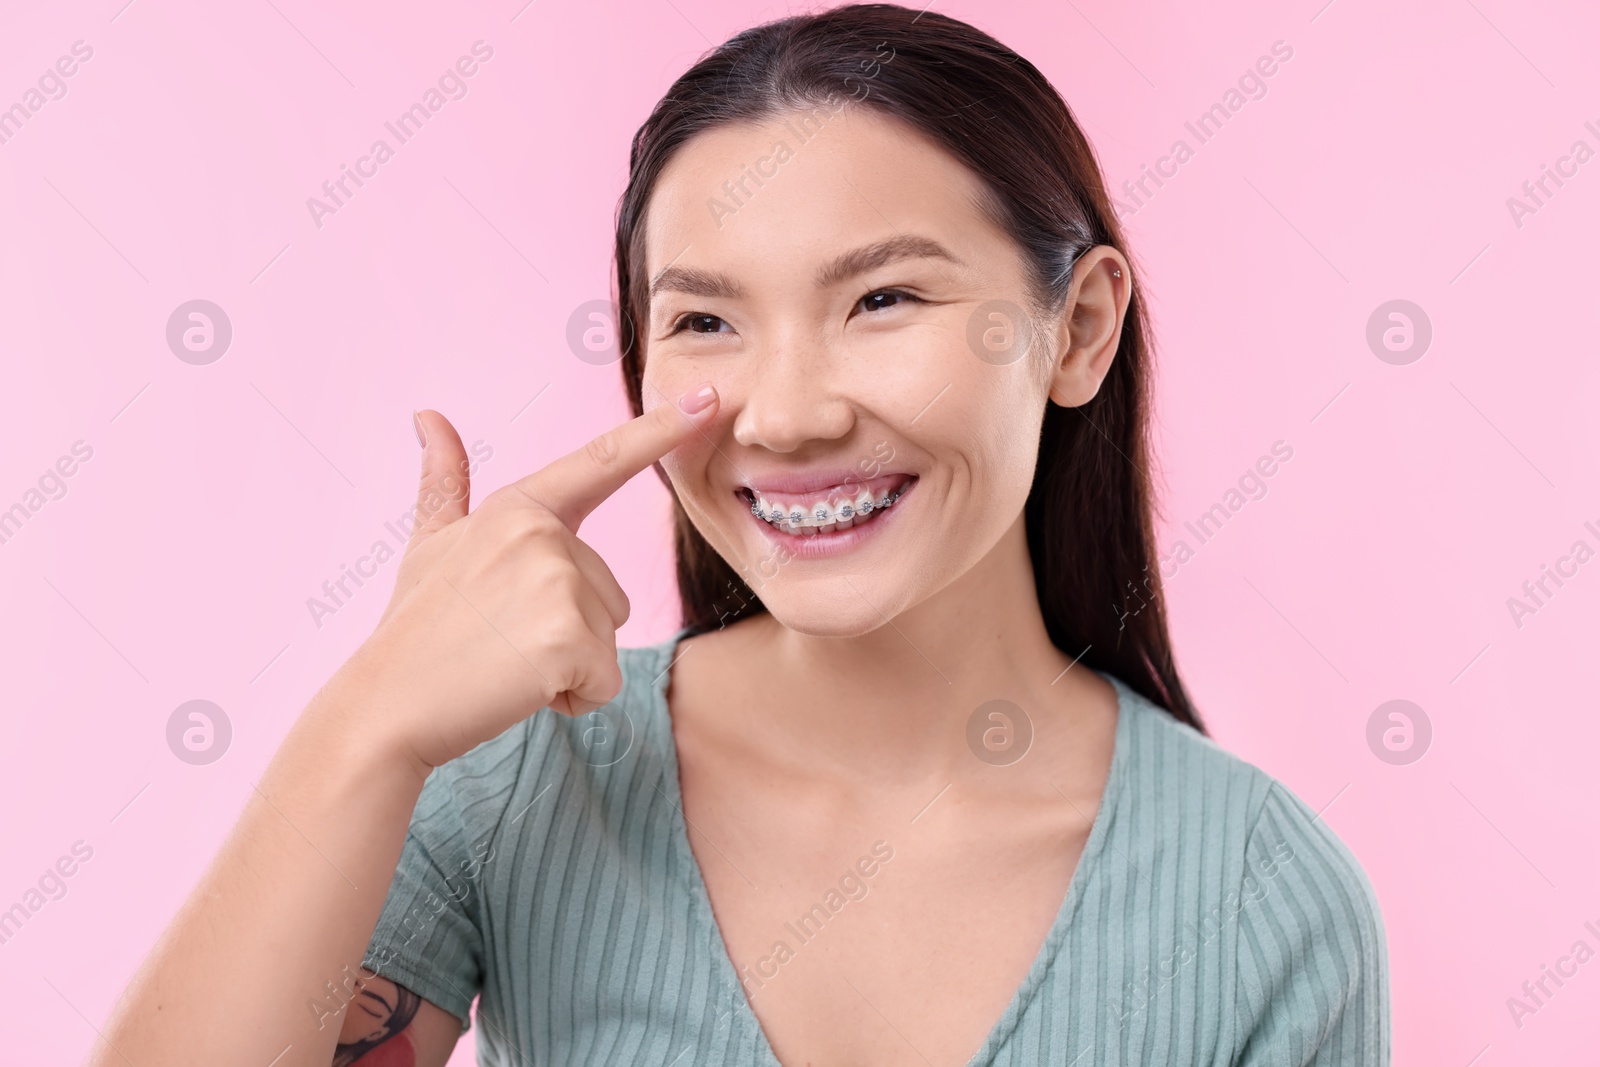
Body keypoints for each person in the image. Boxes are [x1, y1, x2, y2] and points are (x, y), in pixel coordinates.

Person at [90, 4, 1389, 1064]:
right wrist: (365, 723)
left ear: (1080, 328)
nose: (787, 415)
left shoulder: (1260, 903)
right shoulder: (518, 781)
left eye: (881, 298)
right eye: (706, 321)